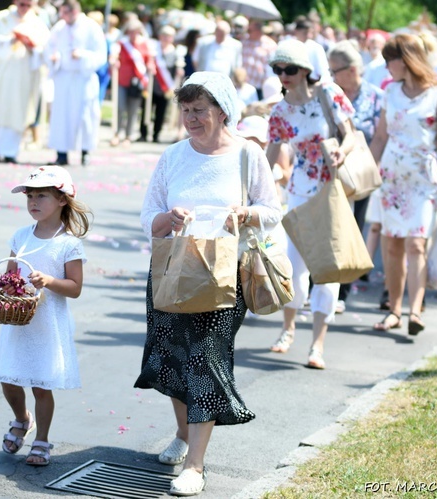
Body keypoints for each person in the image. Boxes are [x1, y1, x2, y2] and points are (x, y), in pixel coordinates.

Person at [137, 71, 282, 496]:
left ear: (222, 111)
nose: (191, 118)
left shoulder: (247, 156)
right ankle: (183, 434)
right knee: (168, 356)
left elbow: (272, 211)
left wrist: (245, 213)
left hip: (225, 274)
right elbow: (148, 216)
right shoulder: (173, 156)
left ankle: (196, 465)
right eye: (185, 110)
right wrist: (167, 219)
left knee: (205, 359)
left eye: (199, 110)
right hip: (172, 268)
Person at [266, 39, 356, 369]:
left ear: (306, 70)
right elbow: (270, 155)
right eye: (278, 69)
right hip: (300, 193)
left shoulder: (329, 94)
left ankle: (317, 345)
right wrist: (259, 193)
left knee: (327, 272)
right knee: (292, 268)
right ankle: (288, 329)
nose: (283, 75)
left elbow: (350, 134)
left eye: (289, 69)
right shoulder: (280, 111)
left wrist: (341, 152)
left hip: (332, 192)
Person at [0, 165, 91, 466]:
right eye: (30, 196)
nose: (33, 202)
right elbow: (9, 275)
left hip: (47, 324)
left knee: (40, 384)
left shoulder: (68, 244)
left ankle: (42, 439)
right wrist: (9, 287)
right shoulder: (21, 236)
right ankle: (22, 419)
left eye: (42, 196)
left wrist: (49, 281)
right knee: (9, 379)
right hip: (19, 320)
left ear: (62, 200)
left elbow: (74, 288)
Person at [368, 34, 437, 333]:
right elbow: (380, 137)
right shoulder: (390, 92)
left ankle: (416, 311)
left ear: (404, 59)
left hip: (423, 177)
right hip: (391, 176)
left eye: (388, 61)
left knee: (416, 243)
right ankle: (395, 309)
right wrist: (368, 171)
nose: (386, 68)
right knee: (391, 244)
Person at [327, 40, 384, 312]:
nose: (330, 76)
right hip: (329, 170)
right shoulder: (329, 94)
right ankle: (322, 285)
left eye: (334, 70)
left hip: (360, 171)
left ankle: (343, 290)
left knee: (353, 228)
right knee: (328, 228)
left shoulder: (375, 97)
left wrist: (366, 163)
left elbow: (381, 135)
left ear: (351, 70)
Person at [0, 0, 48, 164]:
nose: (24, 8)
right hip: (1, 71)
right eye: (21, 4)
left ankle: (10, 150)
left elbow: (45, 48)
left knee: (16, 110)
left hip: (23, 73)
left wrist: (32, 46)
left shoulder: (37, 22)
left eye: (28, 5)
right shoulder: (3, 17)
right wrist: (9, 39)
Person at [43, 0, 106, 166]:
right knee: (61, 116)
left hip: (83, 78)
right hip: (64, 78)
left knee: (85, 116)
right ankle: (61, 153)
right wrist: (54, 57)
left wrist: (83, 55)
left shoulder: (91, 28)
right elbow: (49, 48)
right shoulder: (59, 28)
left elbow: (101, 55)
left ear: (74, 12)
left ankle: (85, 151)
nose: (62, 16)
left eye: (65, 13)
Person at [109, 19, 153, 147]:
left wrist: (150, 66)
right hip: (123, 80)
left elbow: (149, 59)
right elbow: (114, 55)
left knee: (133, 109)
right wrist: (113, 61)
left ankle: (128, 135)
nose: (133, 34)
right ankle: (117, 133)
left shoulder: (145, 44)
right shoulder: (121, 43)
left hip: (138, 82)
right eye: (130, 31)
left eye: (135, 32)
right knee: (120, 106)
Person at [140, 24, 182, 144]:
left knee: (161, 111)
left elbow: (175, 69)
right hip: (152, 85)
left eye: (169, 36)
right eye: (164, 35)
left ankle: (156, 134)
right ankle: (143, 133)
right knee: (146, 109)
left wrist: (179, 70)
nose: (166, 38)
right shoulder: (153, 49)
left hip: (165, 88)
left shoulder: (175, 52)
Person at [241, 19, 276, 101]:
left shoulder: (270, 45)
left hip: (259, 88)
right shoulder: (244, 41)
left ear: (258, 30)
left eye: (249, 30)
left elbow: (271, 69)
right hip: (243, 86)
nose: (247, 32)